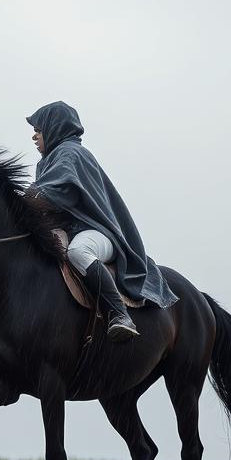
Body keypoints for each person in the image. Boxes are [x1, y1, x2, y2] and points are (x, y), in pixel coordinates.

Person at [26, 101, 178, 342]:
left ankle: (119, 314)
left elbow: (52, 195)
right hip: (70, 230)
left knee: (79, 252)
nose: (34, 136)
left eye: (39, 130)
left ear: (53, 128)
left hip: (96, 232)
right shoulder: (49, 160)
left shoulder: (70, 153)